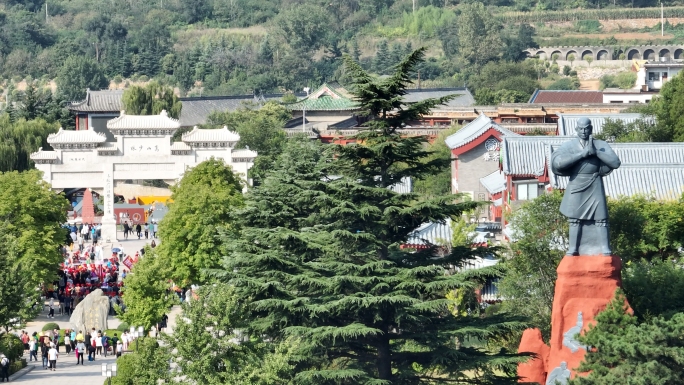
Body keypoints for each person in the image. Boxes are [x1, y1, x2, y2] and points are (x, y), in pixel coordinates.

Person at [550, 117, 621, 256]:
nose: (583, 131)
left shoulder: (600, 144)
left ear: (591, 129)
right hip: (576, 183)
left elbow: (615, 162)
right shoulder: (568, 146)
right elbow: (558, 163)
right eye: (581, 128)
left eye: (586, 128)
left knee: (601, 219)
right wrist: (581, 154)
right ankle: (573, 249)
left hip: (595, 183)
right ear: (576, 129)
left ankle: (604, 248)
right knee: (574, 219)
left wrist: (596, 152)